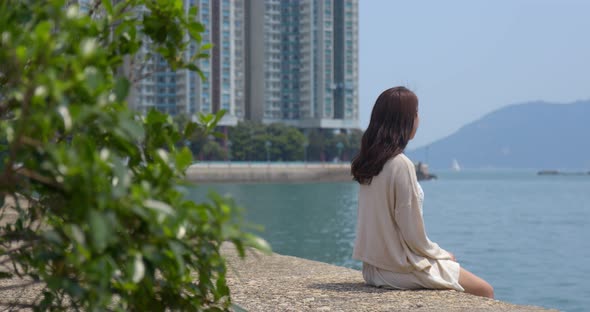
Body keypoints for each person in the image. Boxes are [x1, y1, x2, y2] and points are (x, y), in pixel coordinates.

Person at [351, 86, 494, 298]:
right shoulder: (400, 164)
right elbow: (413, 235)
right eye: (416, 113)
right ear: (405, 120)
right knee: (484, 290)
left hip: (373, 269)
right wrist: (443, 254)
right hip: (398, 268)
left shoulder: (369, 163)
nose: (419, 118)